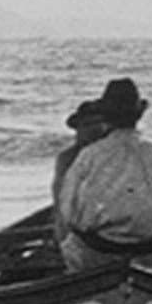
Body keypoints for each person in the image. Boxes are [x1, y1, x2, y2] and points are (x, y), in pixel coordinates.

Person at [56, 78, 152, 272]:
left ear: (107, 118)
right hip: (148, 255)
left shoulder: (89, 156)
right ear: (137, 116)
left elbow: (68, 213)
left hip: (96, 256)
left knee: (70, 245)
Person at [51, 99, 111, 244]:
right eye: (87, 125)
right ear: (78, 129)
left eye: (97, 124)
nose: (92, 130)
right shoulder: (67, 158)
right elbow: (61, 201)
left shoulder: (111, 154)